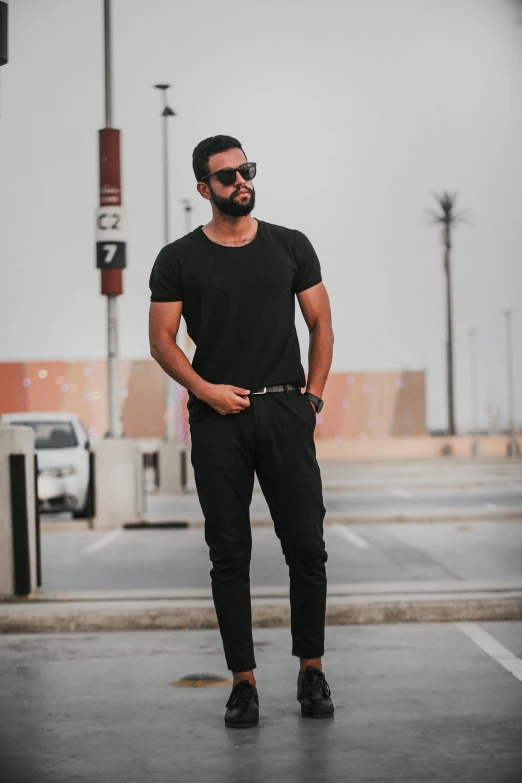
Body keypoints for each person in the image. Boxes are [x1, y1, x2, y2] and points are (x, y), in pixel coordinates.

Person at [149, 135, 335, 728]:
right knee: (229, 554)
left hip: (285, 412)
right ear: (204, 188)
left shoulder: (290, 245)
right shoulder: (178, 258)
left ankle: (311, 669)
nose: (241, 182)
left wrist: (313, 399)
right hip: (217, 420)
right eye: (226, 176)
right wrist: (203, 390)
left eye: (246, 170)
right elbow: (161, 340)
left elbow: (321, 324)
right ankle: (243, 683)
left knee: (306, 548)